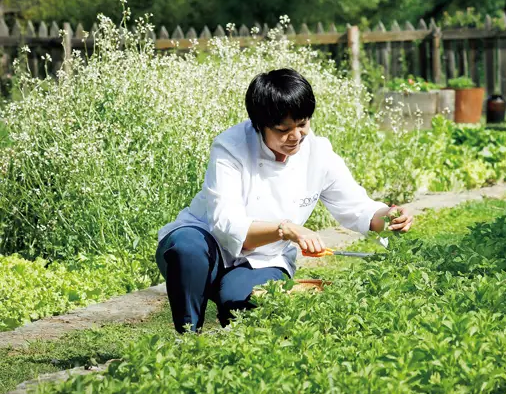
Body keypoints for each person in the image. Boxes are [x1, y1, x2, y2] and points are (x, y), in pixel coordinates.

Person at [156, 68, 413, 332]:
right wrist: (286, 229)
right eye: (283, 129)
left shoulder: (318, 153)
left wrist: (390, 218)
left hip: (263, 258)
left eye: (302, 124)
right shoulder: (230, 147)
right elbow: (228, 226)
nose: (296, 136)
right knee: (186, 250)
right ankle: (187, 338)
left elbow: (358, 207)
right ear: (259, 125)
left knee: (247, 303)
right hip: (206, 245)